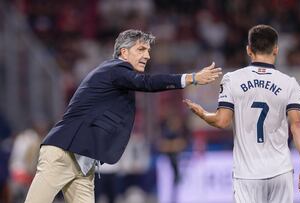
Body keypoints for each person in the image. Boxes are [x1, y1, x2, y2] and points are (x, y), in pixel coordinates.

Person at [25, 29, 222, 203]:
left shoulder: (117, 77)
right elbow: (147, 83)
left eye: (148, 51)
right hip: (64, 153)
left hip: (82, 161)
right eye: (141, 50)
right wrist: (191, 78)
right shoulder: (115, 69)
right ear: (123, 52)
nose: (147, 55)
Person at [184, 25, 300, 203]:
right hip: (280, 171)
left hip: (247, 174)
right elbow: (298, 124)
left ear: (249, 50)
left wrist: (203, 114)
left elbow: (222, 121)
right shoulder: (289, 83)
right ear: (276, 49)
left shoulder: (232, 79)